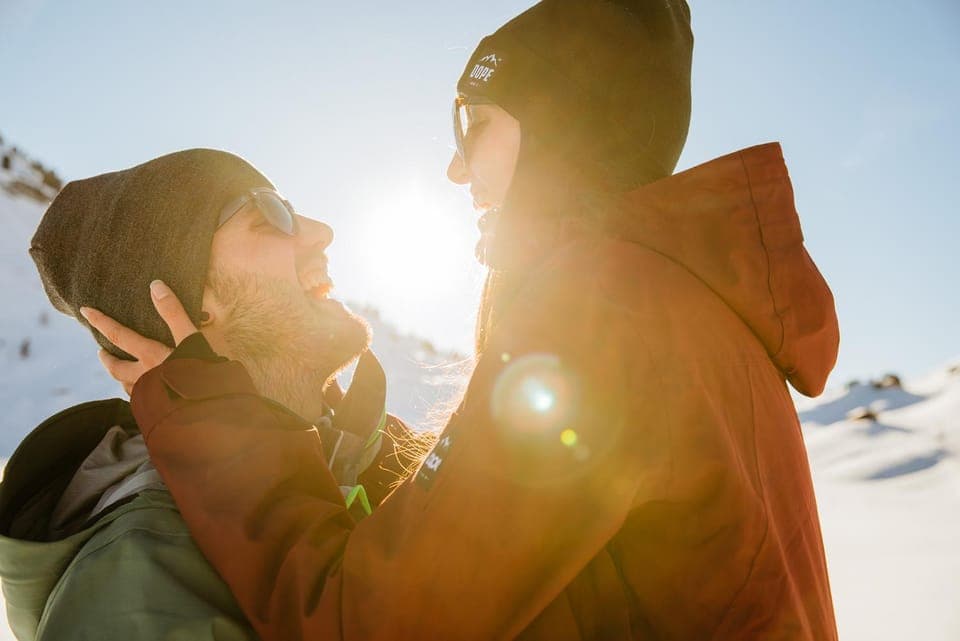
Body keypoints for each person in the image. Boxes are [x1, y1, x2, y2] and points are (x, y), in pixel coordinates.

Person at [88, 1, 841, 639]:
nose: (456, 167)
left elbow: (368, 620)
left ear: (566, 131)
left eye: (475, 125)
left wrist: (210, 422)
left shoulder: (602, 310)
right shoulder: (674, 299)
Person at [0, 149, 413, 640]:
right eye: (267, 216)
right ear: (189, 302)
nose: (321, 231)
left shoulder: (384, 459)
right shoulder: (145, 578)